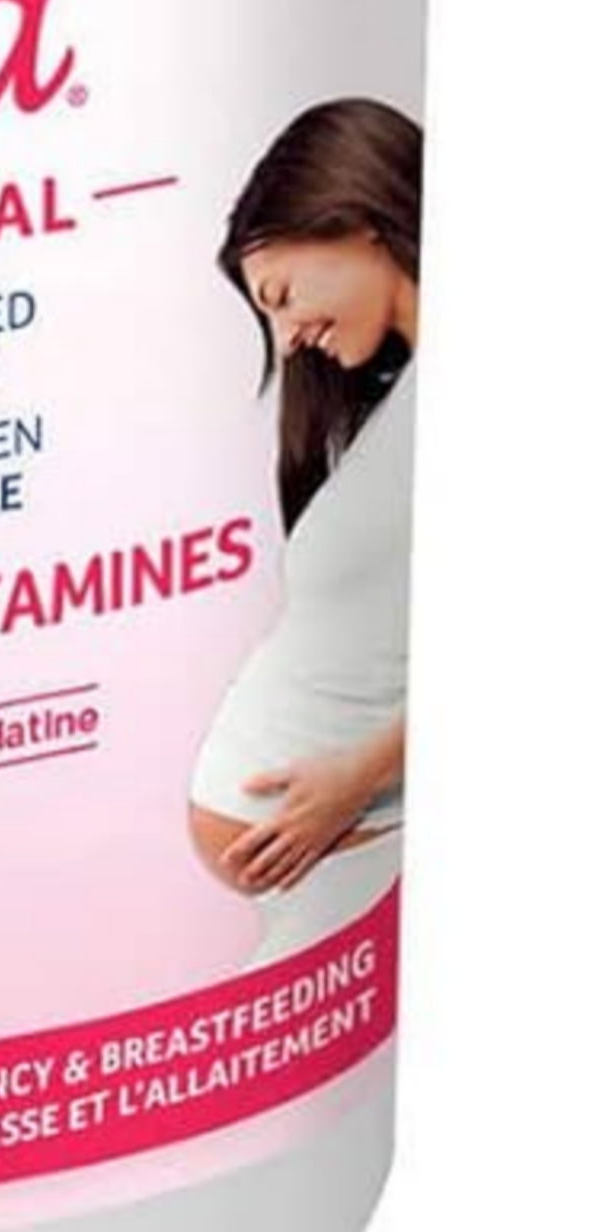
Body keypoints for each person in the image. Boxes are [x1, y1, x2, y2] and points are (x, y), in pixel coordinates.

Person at [189, 99, 420, 960]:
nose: (286, 339)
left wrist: (359, 777)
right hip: (325, 872)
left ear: (357, 223)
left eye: (281, 297)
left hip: (357, 854)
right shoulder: (391, 407)